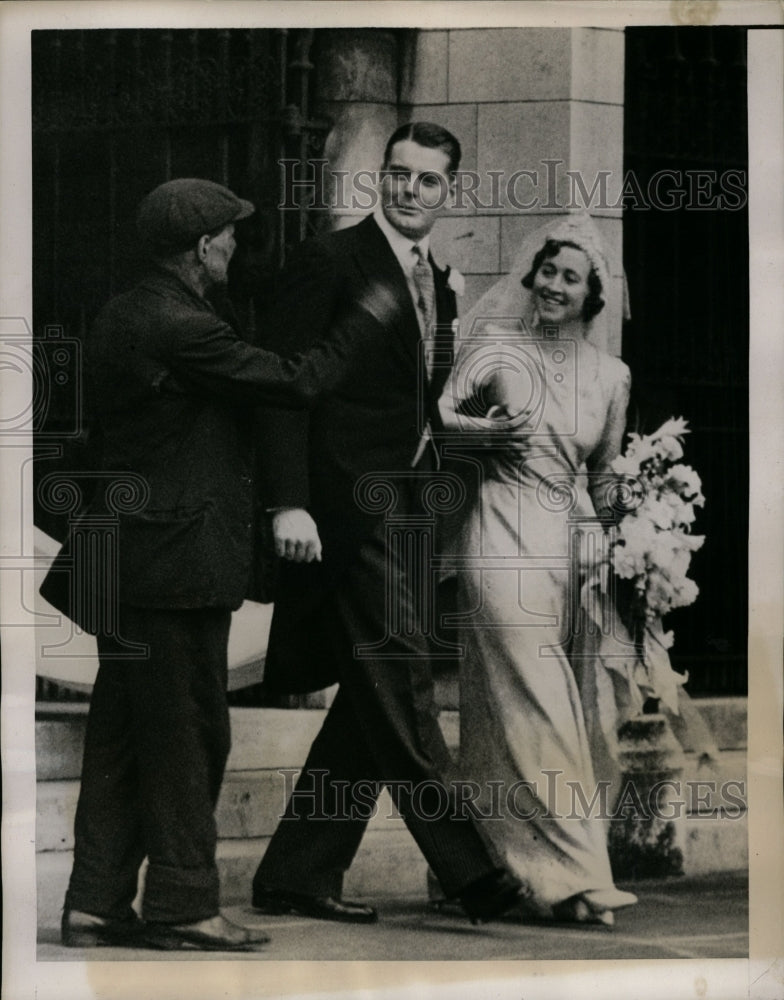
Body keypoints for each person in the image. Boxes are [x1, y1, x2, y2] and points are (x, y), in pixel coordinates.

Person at [40, 178, 378, 952]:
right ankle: (184, 904)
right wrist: (364, 317)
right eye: (228, 236)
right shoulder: (180, 324)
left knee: (126, 737)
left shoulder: (130, 312)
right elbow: (295, 381)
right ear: (201, 247)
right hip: (173, 567)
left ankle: (95, 902)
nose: (234, 246)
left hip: (135, 561)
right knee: (190, 736)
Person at [249, 122, 524, 925]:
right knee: (402, 678)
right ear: (381, 177)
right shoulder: (330, 260)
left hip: (410, 508)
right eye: (398, 174)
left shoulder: (438, 279)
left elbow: (417, 402)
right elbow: (285, 387)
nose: (409, 190)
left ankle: (297, 873)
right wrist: (288, 500)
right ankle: (475, 871)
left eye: (427, 180)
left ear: (449, 191)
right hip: (345, 507)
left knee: (372, 697)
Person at [438, 213, 639, 926]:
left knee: (517, 708)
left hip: (569, 549)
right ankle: (581, 873)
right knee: (540, 698)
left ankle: (503, 870)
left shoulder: (612, 376)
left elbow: (606, 475)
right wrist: (484, 432)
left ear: (592, 296)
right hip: (498, 530)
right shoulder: (495, 348)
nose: (554, 285)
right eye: (548, 272)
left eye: (570, 278)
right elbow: (438, 418)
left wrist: (638, 540)